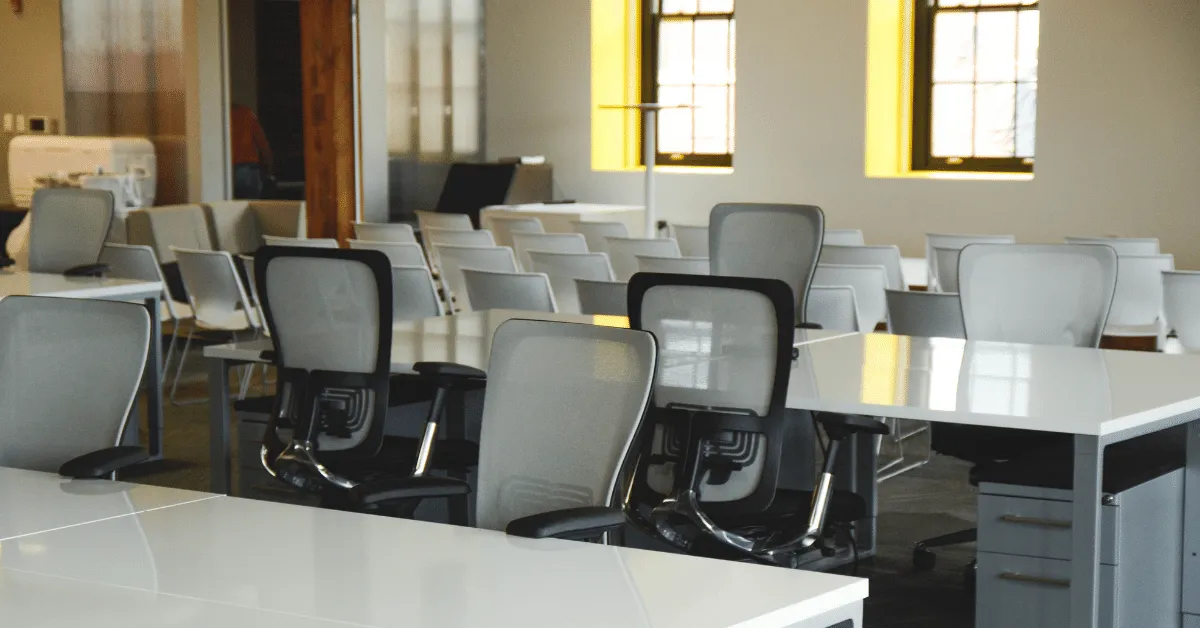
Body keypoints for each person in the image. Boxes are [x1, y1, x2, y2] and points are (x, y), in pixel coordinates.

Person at [230, 103, 275, 199]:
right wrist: (270, 170)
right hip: (248, 167)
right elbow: (262, 144)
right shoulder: (247, 114)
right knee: (252, 206)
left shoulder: (220, 116)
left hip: (227, 169)